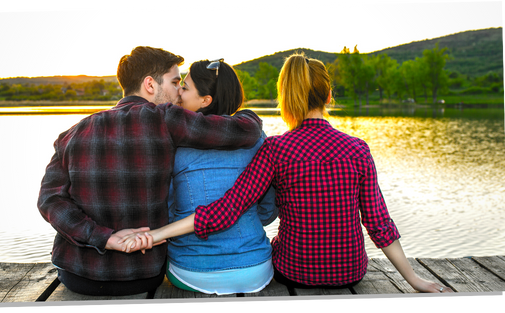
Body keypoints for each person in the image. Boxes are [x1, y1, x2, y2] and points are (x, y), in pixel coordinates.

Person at [121, 53, 454, 293]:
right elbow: (379, 224)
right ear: (327, 96)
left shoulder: (277, 148)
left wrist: (156, 234)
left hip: (296, 271)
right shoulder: (358, 149)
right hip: (352, 270)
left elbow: (225, 212)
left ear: (285, 97)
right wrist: (413, 279)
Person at [37, 46, 263, 296]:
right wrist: (251, 117)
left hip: (77, 275)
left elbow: (49, 201)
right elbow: (243, 131)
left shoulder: (71, 134)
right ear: (150, 85)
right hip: (142, 275)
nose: (179, 91)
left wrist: (106, 238)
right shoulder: (165, 118)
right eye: (175, 82)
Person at [164, 59, 277, 294]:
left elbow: (167, 211)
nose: (179, 93)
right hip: (256, 268)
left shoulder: (174, 141)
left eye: (185, 87)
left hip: (192, 270)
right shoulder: (257, 137)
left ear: (206, 101)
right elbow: (267, 211)